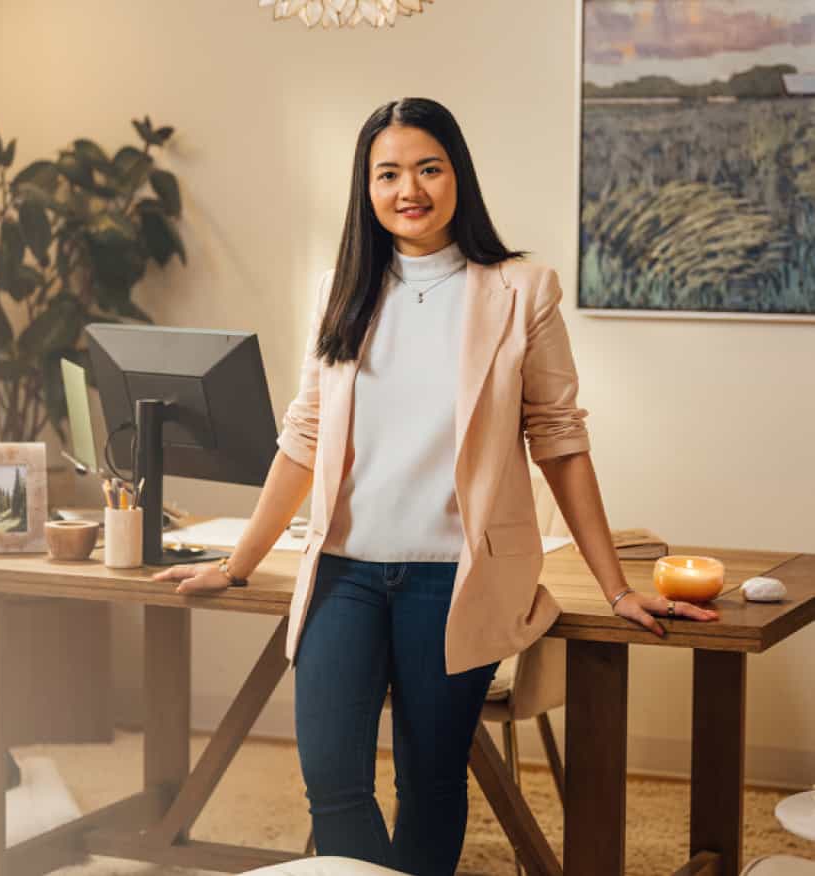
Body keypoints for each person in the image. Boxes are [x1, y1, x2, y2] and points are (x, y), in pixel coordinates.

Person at [153, 97, 719, 875]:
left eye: (427, 168)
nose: (408, 188)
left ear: (457, 176)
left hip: (454, 580)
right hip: (344, 575)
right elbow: (304, 440)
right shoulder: (339, 289)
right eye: (387, 173)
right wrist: (236, 563)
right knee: (332, 781)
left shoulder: (521, 289)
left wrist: (616, 587)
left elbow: (560, 442)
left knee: (428, 781)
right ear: (367, 186)